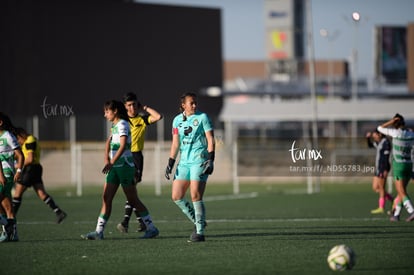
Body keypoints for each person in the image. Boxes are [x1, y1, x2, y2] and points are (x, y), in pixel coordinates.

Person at [81, 100, 159, 240]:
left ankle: (152, 228)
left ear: (115, 111)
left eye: (107, 111)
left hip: (124, 167)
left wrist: (111, 162)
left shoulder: (123, 124)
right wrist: (106, 159)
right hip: (115, 168)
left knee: (133, 199)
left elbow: (123, 146)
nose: (105, 114)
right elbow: (108, 142)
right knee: (106, 198)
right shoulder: (115, 125)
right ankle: (99, 232)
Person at [165, 92, 215, 242]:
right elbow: (175, 143)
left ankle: (199, 232)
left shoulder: (202, 117)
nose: (194, 105)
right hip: (184, 163)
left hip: (199, 160)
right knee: (176, 196)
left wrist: (211, 160)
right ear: (183, 105)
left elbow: (211, 139)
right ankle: (199, 221)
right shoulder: (176, 121)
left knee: (195, 195)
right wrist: (170, 163)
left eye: (195, 103)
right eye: (191, 103)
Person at [116, 92, 163, 233]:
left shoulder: (141, 119)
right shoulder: (122, 121)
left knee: (131, 190)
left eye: (134, 104)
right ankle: (140, 223)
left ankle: (125, 222)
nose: (132, 108)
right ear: (125, 107)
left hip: (136, 158)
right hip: (123, 157)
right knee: (131, 192)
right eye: (129, 105)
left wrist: (145, 108)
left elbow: (158, 117)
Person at [12, 127, 67, 223]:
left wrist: (17, 165)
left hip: (31, 169)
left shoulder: (29, 140)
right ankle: (58, 212)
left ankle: (11, 218)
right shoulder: (28, 141)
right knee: (41, 193)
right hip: (35, 169)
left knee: (17, 193)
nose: (18, 142)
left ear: (21, 135)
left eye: (18, 139)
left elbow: (30, 159)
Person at [377, 113, 414, 222]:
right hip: (409, 164)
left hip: (399, 165)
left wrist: (390, 122)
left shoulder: (395, 132)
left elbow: (380, 128)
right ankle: (396, 215)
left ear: (395, 123)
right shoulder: (411, 134)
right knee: (401, 192)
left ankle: (412, 211)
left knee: (401, 192)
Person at [0, 112, 24, 242]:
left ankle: (7, 226)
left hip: (7, 174)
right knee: (7, 207)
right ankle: (12, 234)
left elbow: (20, 155)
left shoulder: (8, 136)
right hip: (1, 175)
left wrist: (19, 170)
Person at [366, 129, 393, 214]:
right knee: (375, 188)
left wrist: (385, 169)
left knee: (381, 188)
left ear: (380, 134)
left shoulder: (386, 143)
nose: (374, 138)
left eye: (375, 136)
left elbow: (386, 157)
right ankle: (393, 199)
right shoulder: (379, 142)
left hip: (383, 168)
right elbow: (370, 145)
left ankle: (381, 207)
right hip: (378, 168)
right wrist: (367, 138)